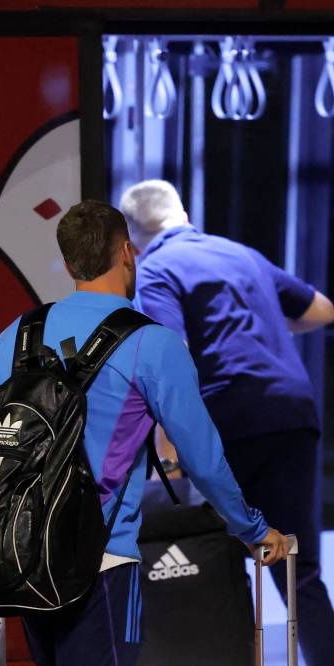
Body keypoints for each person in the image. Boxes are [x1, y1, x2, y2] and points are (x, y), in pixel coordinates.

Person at [0, 200, 287, 665]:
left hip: (25, 559)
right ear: (126, 252)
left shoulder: (17, 335)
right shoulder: (151, 342)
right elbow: (203, 458)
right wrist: (252, 529)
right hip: (103, 562)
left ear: (68, 262)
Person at [119, 179, 334, 665]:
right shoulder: (240, 254)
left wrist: (168, 450)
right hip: (293, 414)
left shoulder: (155, 271)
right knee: (298, 570)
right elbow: (320, 309)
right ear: (183, 213)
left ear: (131, 239)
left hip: (229, 421)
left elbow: (172, 358)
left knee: (216, 557)